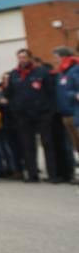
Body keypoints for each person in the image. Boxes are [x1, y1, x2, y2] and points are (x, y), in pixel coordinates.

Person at [0, 49, 58, 182]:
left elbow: (51, 92)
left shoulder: (42, 72)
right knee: (27, 146)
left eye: (24, 57)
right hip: (23, 116)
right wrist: (14, 107)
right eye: (19, 57)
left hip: (42, 114)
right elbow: (9, 94)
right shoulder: (14, 74)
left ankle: (52, 175)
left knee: (48, 144)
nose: (22, 60)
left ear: (30, 58)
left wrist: (49, 111)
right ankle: (32, 174)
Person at [53, 46, 79, 182]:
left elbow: (72, 90)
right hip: (66, 114)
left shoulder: (74, 69)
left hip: (75, 112)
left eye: (56, 57)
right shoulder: (61, 73)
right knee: (74, 146)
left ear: (64, 57)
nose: (54, 60)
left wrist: (74, 94)